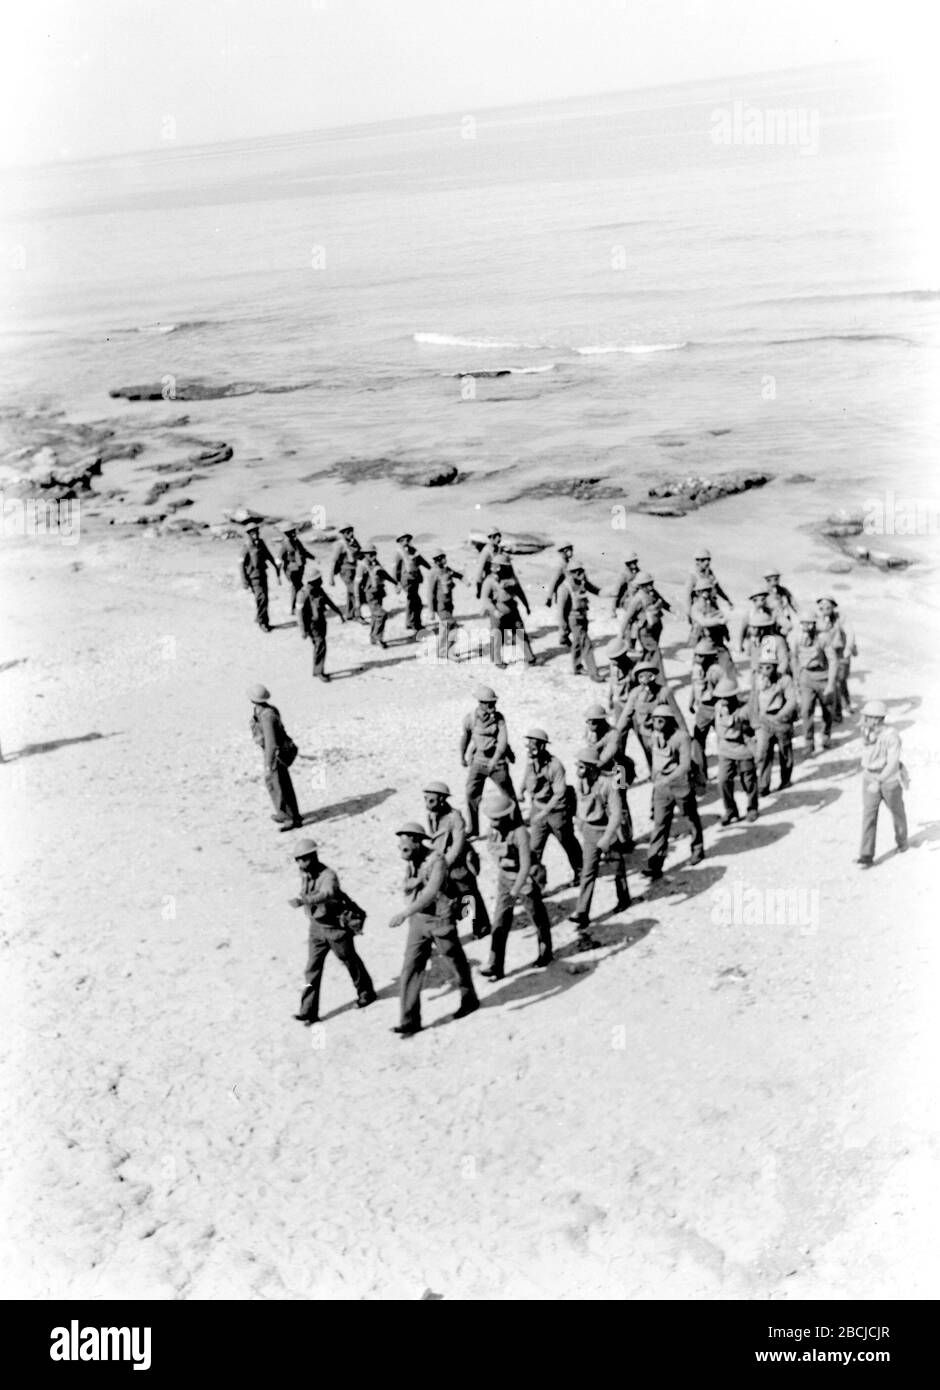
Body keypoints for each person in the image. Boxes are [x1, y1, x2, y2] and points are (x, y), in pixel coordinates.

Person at [389, 824, 479, 1035]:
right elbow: (409, 885)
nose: (401, 846)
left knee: (455, 960)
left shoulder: (436, 861)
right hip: (419, 920)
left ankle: (469, 998)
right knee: (410, 968)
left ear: (416, 840)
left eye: (405, 841)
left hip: (440, 918)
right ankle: (409, 1020)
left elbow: (430, 892)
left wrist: (404, 913)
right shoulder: (412, 861)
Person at [289, 838, 375, 1024]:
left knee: (351, 962)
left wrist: (305, 901)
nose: (301, 864)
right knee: (311, 970)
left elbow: (328, 893)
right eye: (298, 860)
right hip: (317, 928)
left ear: (314, 856)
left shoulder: (329, 875)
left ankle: (366, 992)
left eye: (305, 859)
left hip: (336, 929)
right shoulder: (306, 874)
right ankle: (308, 1010)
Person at [478, 790, 553, 979]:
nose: (492, 822)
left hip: (525, 881)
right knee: (500, 923)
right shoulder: (492, 832)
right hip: (506, 880)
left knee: (537, 917)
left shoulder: (520, 833)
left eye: (496, 819)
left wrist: (515, 889)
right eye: (491, 819)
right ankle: (495, 964)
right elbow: (494, 854)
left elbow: (526, 865)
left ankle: (545, 950)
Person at [570, 746, 630, 940]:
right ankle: (582, 912)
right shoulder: (580, 783)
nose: (578, 770)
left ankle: (624, 898)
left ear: (591, 767)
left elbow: (616, 814)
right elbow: (580, 805)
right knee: (588, 872)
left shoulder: (608, 784)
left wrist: (606, 838)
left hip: (606, 830)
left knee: (617, 866)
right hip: (589, 830)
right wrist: (580, 822)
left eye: (582, 766)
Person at [643, 704, 704, 881]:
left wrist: (667, 779)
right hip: (661, 787)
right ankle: (655, 865)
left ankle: (697, 849)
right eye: (654, 719)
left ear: (670, 721)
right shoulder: (654, 736)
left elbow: (685, 765)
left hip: (680, 785)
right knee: (660, 824)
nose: (657, 723)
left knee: (690, 818)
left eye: (661, 719)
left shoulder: (682, 737)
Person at [423, 781, 490, 939]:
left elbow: (458, 845)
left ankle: (482, 926)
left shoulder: (455, 818)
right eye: (426, 799)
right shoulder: (432, 815)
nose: (427, 804)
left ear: (441, 800)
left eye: (431, 800)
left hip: (459, 864)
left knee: (469, 894)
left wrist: (444, 864)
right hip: (443, 863)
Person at [519, 728, 582, 886]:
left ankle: (581, 873)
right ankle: (537, 883)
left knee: (568, 842)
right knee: (534, 849)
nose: (531, 748)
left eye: (535, 745)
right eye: (529, 745)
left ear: (542, 746)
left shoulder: (555, 766)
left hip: (557, 811)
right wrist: (521, 790)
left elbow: (559, 794)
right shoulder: (531, 761)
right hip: (538, 808)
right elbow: (527, 776)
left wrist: (544, 812)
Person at [856, 700, 908, 868]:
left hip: (888, 780)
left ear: (876, 719)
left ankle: (902, 842)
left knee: (897, 812)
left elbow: (893, 763)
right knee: (868, 816)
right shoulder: (866, 731)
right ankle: (866, 855)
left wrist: (879, 781)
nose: (863, 719)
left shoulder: (891, 736)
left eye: (867, 716)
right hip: (870, 778)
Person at [459, 686, 517, 838]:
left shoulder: (499, 719)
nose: (493, 706)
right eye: (489, 703)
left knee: (508, 793)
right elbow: (465, 737)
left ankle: (516, 823)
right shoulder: (470, 718)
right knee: (471, 793)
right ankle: (473, 828)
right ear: (481, 703)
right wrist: (462, 756)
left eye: (494, 703)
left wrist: (495, 759)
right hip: (478, 760)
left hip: (496, 762)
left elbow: (503, 741)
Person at [248, 684, 301, 830]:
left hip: (276, 755)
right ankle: (288, 814)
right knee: (282, 784)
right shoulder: (267, 711)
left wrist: (268, 762)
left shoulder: (267, 716)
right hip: (278, 754)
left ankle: (289, 818)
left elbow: (271, 742)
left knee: (277, 786)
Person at [688, 633, 736, 785]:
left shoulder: (718, 670)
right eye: (697, 655)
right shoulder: (696, 669)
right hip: (702, 708)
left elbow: (727, 690)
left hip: (716, 707)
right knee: (697, 742)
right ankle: (701, 776)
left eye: (702, 656)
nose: (698, 659)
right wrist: (691, 701)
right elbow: (694, 685)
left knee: (724, 739)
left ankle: (729, 771)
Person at [748, 655, 798, 793]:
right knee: (764, 753)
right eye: (761, 667)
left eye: (768, 667)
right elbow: (753, 699)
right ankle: (764, 785)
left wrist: (780, 715)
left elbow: (792, 701)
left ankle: (786, 781)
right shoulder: (757, 680)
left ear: (775, 667)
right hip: (765, 721)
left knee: (785, 752)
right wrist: (755, 720)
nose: (765, 671)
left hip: (782, 721)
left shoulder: (785, 680)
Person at [713, 678, 759, 824]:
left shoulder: (744, 710)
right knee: (723, 781)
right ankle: (730, 810)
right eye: (721, 697)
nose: (723, 700)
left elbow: (755, 726)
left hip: (743, 749)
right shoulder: (719, 707)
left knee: (748, 781)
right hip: (725, 749)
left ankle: (752, 807)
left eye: (726, 697)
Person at [791, 611, 837, 752]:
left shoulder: (823, 637)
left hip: (822, 676)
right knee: (806, 710)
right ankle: (808, 742)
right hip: (807, 677)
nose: (807, 627)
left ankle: (826, 736)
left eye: (810, 623)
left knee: (827, 710)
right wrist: (796, 677)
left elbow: (833, 660)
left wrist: (830, 684)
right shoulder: (796, 637)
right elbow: (793, 657)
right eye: (804, 623)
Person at [481, 561, 537, 667]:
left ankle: (530, 657)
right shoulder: (489, 581)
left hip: (512, 610)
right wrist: (494, 611)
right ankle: (497, 660)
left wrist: (526, 606)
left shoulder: (511, 578)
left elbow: (519, 592)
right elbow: (485, 599)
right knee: (497, 636)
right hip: (498, 612)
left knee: (520, 632)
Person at [297, 564, 345, 681]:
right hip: (312, 624)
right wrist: (303, 630)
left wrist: (338, 612)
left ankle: (316, 669)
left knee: (319, 646)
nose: (321, 581)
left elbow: (328, 601)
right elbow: (299, 614)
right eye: (319, 579)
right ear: (313, 581)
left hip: (321, 622)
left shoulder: (319, 590)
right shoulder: (303, 594)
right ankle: (319, 671)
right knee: (320, 644)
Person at [816, 596, 857, 721]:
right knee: (832, 682)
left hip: (840, 653)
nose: (825, 609)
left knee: (840, 681)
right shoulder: (818, 620)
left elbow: (850, 632)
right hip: (826, 655)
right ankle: (837, 712)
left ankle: (846, 705)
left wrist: (848, 648)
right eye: (822, 607)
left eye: (828, 607)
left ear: (833, 607)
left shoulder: (840, 618)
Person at [560, 563, 602, 679]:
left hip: (583, 617)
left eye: (581, 571)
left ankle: (576, 666)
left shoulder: (582, 583)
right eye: (577, 572)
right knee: (586, 644)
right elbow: (561, 611)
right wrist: (563, 629)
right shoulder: (565, 588)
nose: (581, 574)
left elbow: (595, 590)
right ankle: (594, 673)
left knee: (578, 642)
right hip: (574, 620)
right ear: (571, 573)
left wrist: (610, 593)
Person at [240, 521, 280, 631]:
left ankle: (260, 617)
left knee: (264, 599)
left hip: (263, 575)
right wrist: (244, 581)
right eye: (252, 533)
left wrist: (276, 568)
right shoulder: (246, 546)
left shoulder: (260, 543)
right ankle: (263, 622)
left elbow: (268, 556)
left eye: (256, 532)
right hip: (253, 577)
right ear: (248, 534)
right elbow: (241, 564)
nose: (255, 534)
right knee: (261, 598)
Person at [620, 572, 671, 655]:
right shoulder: (638, 598)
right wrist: (621, 634)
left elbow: (664, 604)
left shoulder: (653, 593)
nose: (650, 586)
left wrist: (674, 611)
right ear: (640, 586)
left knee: (652, 652)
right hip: (645, 629)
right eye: (647, 584)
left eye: (651, 583)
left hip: (656, 626)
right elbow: (627, 617)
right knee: (654, 651)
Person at [426, 550, 463, 659]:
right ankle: (448, 652)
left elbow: (456, 574)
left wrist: (464, 579)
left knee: (444, 628)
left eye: (444, 557)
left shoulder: (446, 570)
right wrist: (431, 610)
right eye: (442, 557)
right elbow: (430, 593)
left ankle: (442, 651)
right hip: (440, 605)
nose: (444, 559)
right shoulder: (433, 573)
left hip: (448, 604)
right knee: (453, 626)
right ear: (437, 560)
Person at [393, 533, 430, 639]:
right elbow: (396, 569)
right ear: (400, 541)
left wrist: (431, 569)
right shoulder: (399, 553)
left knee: (412, 601)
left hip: (415, 579)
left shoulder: (413, 550)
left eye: (408, 539)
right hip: (407, 580)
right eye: (405, 539)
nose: (408, 541)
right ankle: (415, 624)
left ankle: (410, 622)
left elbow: (421, 561)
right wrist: (396, 584)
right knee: (415, 601)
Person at [683, 547, 732, 623]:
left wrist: (727, 600)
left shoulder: (710, 574)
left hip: (712, 607)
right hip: (700, 609)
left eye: (708, 559)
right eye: (704, 560)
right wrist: (688, 614)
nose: (707, 562)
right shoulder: (692, 576)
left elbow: (717, 588)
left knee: (722, 630)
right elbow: (687, 597)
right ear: (698, 561)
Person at [359, 547, 395, 648]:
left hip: (379, 592)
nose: (373, 556)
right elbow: (356, 585)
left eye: (374, 554)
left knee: (375, 616)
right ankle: (378, 637)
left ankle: (373, 637)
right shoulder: (362, 566)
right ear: (365, 554)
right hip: (370, 595)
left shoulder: (375, 562)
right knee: (381, 615)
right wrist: (358, 601)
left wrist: (395, 582)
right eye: (371, 554)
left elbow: (383, 574)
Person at [329, 525, 364, 622]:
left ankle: (349, 614)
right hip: (345, 572)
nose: (351, 534)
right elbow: (334, 561)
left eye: (351, 531)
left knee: (351, 592)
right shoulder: (340, 545)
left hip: (355, 570)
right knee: (356, 592)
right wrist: (331, 577)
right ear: (343, 533)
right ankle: (358, 615)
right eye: (348, 532)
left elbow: (361, 554)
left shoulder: (354, 542)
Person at [278, 526, 316, 615]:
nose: (293, 533)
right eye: (291, 532)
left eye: (293, 531)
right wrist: (278, 575)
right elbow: (279, 559)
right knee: (296, 587)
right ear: (287, 533)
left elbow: (303, 551)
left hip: (299, 568)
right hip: (291, 570)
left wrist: (314, 557)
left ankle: (300, 606)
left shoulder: (296, 541)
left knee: (298, 587)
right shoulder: (285, 544)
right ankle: (294, 608)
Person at [742, 612, 791, 676]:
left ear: (762, 629)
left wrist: (777, 675)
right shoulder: (753, 641)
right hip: (757, 677)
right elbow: (750, 659)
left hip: (774, 677)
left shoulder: (777, 640)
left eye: (754, 627)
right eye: (752, 627)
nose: (752, 630)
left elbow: (784, 661)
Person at [688, 579, 730, 648]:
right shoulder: (696, 607)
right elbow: (703, 622)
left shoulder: (712, 605)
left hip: (717, 640)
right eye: (704, 590)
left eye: (708, 590)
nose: (707, 593)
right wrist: (718, 621)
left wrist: (726, 634)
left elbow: (721, 618)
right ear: (698, 592)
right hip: (703, 641)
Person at [547, 543, 575, 647]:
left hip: (568, 593)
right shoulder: (560, 565)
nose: (571, 551)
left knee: (567, 614)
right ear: (564, 550)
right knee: (563, 616)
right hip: (562, 594)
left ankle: (565, 636)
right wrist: (549, 597)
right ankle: (563, 637)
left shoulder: (567, 563)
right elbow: (553, 581)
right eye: (569, 549)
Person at [605, 637, 637, 721]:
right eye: (610, 659)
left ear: (623, 655)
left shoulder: (632, 668)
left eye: (614, 659)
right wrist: (610, 698)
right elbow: (612, 684)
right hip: (617, 701)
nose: (612, 661)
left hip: (630, 702)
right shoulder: (613, 666)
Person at [475, 528, 504, 598]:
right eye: (497, 536)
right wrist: (479, 587)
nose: (499, 539)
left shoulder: (498, 549)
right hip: (489, 582)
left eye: (500, 536)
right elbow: (480, 570)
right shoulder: (486, 551)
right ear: (492, 537)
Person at [613, 550, 642, 618]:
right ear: (627, 563)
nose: (634, 564)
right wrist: (613, 609)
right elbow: (617, 591)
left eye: (635, 561)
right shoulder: (624, 574)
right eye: (631, 562)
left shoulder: (638, 571)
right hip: (627, 601)